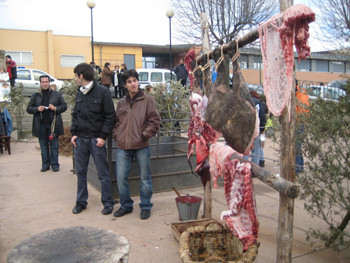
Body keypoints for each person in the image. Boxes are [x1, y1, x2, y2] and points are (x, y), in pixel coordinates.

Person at [113, 69, 160, 220]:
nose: (133, 84)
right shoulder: (121, 103)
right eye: (129, 82)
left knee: (145, 178)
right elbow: (116, 123)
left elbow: (155, 121)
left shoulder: (148, 100)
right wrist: (117, 136)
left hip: (142, 146)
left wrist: (144, 135)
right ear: (125, 85)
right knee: (121, 178)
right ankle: (126, 205)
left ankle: (145, 206)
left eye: (135, 80)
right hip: (123, 147)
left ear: (138, 82)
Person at [70, 63, 116, 215]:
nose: (75, 79)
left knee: (103, 173)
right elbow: (75, 114)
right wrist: (74, 133)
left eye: (75, 76)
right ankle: (81, 202)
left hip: (96, 140)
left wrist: (103, 137)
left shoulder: (103, 92)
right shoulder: (80, 92)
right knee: (81, 172)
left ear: (81, 76)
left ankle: (108, 203)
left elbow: (110, 117)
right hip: (81, 140)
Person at [27, 75, 67, 172]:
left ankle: (55, 165)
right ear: (40, 83)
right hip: (40, 125)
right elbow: (28, 109)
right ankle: (45, 165)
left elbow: (64, 106)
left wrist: (55, 108)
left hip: (53, 125)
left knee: (54, 145)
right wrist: (37, 109)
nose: (45, 84)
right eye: (43, 82)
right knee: (43, 145)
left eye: (46, 82)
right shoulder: (35, 95)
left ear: (49, 82)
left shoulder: (56, 94)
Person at [245, 91, 266, 166]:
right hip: (256, 128)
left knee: (245, 150)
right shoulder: (258, 102)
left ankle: (244, 168)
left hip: (244, 129)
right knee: (256, 150)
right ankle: (254, 169)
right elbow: (262, 116)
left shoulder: (242, 100)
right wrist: (262, 128)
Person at [295, 80, 309, 174]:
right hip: (297, 123)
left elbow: (303, 111)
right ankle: (299, 166)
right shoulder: (297, 94)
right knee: (297, 146)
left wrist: (296, 121)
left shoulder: (301, 94)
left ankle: (298, 167)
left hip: (299, 124)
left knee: (297, 146)